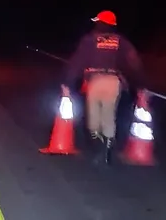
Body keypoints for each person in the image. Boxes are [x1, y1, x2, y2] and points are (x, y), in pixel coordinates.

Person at [62, 10, 147, 165]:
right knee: (108, 115)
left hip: (95, 82)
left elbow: (77, 62)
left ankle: (101, 146)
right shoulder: (121, 41)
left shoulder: (89, 40)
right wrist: (140, 84)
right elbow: (133, 63)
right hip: (114, 82)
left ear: (100, 23)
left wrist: (67, 83)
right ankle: (107, 148)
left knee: (94, 118)